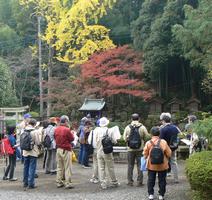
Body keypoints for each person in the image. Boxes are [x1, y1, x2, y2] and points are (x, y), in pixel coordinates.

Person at [143, 126, 172, 200]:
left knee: (151, 179)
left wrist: (147, 157)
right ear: (159, 134)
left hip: (151, 165)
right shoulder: (163, 142)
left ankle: (151, 194)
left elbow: (145, 154)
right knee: (162, 180)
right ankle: (161, 195)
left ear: (151, 134)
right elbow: (169, 154)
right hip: (163, 165)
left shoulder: (148, 143)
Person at [123, 113, 150, 186]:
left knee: (130, 165)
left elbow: (124, 138)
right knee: (140, 165)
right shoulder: (142, 127)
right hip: (140, 149)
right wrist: (142, 140)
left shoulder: (127, 127)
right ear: (139, 119)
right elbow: (147, 137)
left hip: (130, 149)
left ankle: (130, 181)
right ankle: (139, 182)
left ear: (131, 119)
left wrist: (128, 140)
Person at [94, 117, 120, 189]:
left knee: (101, 168)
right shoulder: (110, 131)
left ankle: (103, 184)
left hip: (99, 151)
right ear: (107, 123)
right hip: (107, 152)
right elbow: (115, 141)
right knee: (110, 167)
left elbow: (95, 141)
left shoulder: (96, 130)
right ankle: (114, 182)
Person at [54, 115, 74, 189]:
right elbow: (72, 138)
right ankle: (68, 183)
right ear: (65, 121)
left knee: (59, 167)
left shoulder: (56, 129)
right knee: (67, 167)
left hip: (58, 149)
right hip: (66, 149)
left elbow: (54, 137)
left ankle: (59, 182)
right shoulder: (66, 129)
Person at [159, 112, 180, 183]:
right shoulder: (175, 128)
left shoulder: (163, 129)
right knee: (174, 162)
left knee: (164, 163)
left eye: (162, 121)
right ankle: (176, 178)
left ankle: (164, 179)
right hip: (173, 148)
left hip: (165, 149)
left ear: (164, 121)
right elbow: (178, 137)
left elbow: (160, 140)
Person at [22, 118, 41, 189]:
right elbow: (38, 142)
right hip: (33, 151)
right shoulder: (34, 131)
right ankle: (31, 184)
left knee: (25, 167)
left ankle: (25, 183)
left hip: (25, 152)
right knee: (32, 167)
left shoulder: (23, 131)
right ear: (34, 124)